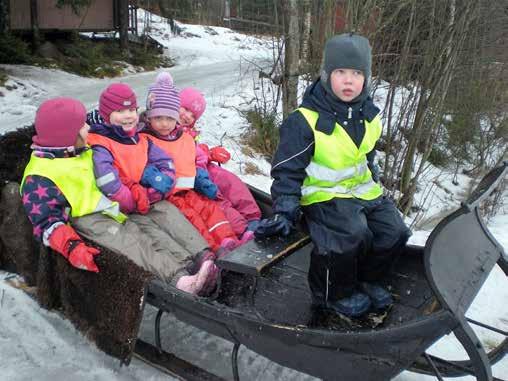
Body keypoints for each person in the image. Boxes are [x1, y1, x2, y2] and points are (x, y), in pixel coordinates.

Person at [255, 33, 411, 317]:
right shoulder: (305, 120)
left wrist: (372, 176)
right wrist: (286, 210)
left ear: (366, 78)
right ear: (326, 75)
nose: (349, 80)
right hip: (322, 195)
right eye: (340, 72)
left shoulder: (369, 116)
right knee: (350, 234)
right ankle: (330, 295)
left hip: (361, 191)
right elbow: (287, 169)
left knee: (395, 232)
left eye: (356, 73)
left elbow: (366, 155)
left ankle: (368, 279)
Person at [84, 83, 217, 294]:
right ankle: (182, 272)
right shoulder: (101, 143)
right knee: (150, 233)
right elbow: (108, 181)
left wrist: (161, 184)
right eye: (120, 111)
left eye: (131, 110)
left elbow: (164, 160)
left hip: (144, 196)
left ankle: (201, 254)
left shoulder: (138, 138)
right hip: (122, 204)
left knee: (168, 213)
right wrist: (134, 200)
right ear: (107, 114)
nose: (128, 116)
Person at [140, 72, 246, 252]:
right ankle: (214, 249)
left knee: (211, 209)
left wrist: (201, 177)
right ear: (149, 117)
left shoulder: (185, 137)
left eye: (170, 119)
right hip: (168, 194)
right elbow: (139, 165)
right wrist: (152, 178)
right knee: (193, 219)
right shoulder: (145, 139)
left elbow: (193, 159)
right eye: (158, 118)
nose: (165, 124)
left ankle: (229, 240)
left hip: (189, 189)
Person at [179, 87, 262, 237]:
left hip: (202, 166)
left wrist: (209, 153)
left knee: (230, 180)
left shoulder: (189, 132)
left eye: (193, 115)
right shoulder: (166, 127)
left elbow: (196, 149)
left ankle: (252, 217)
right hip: (188, 175)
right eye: (185, 109)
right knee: (215, 197)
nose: (187, 116)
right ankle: (241, 229)